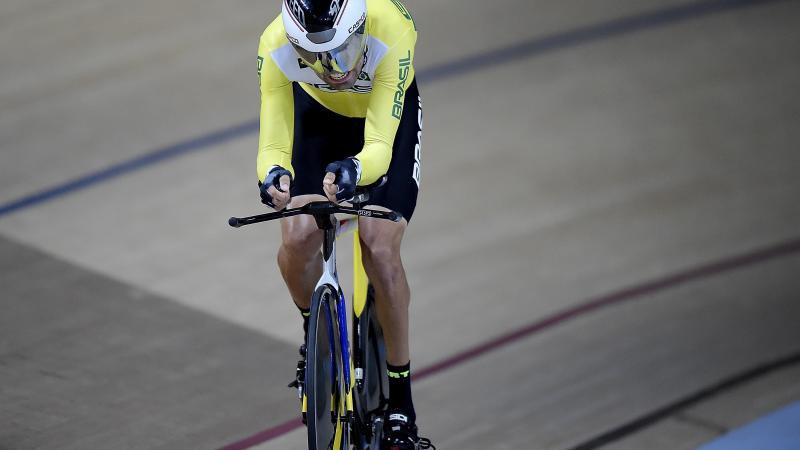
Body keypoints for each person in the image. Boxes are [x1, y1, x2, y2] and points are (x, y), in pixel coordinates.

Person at [256, 0, 432, 448]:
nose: (334, 68)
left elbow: (377, 143)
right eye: (315, 56)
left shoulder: (393, 26)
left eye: (343, 49)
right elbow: (274, 136)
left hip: (384, 122)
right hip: (319, 120)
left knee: (380, 247)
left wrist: (357, 170)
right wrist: (273, 175)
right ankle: (314, 336)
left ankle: (401, 402)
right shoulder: (274, 43)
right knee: (297, 237)